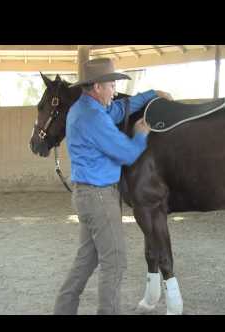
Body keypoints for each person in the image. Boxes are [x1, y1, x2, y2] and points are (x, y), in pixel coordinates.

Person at [54, 58, 172, 315]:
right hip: (99, 198)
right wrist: (140, 134)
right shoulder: (92, 117)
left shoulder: (85, 108)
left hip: (87, 196)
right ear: (97, 86)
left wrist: (150, 95)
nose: (115, 91)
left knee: (84, 263)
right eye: (111, 86)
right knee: (115, 262)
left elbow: (117, 111)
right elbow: (126, 153)